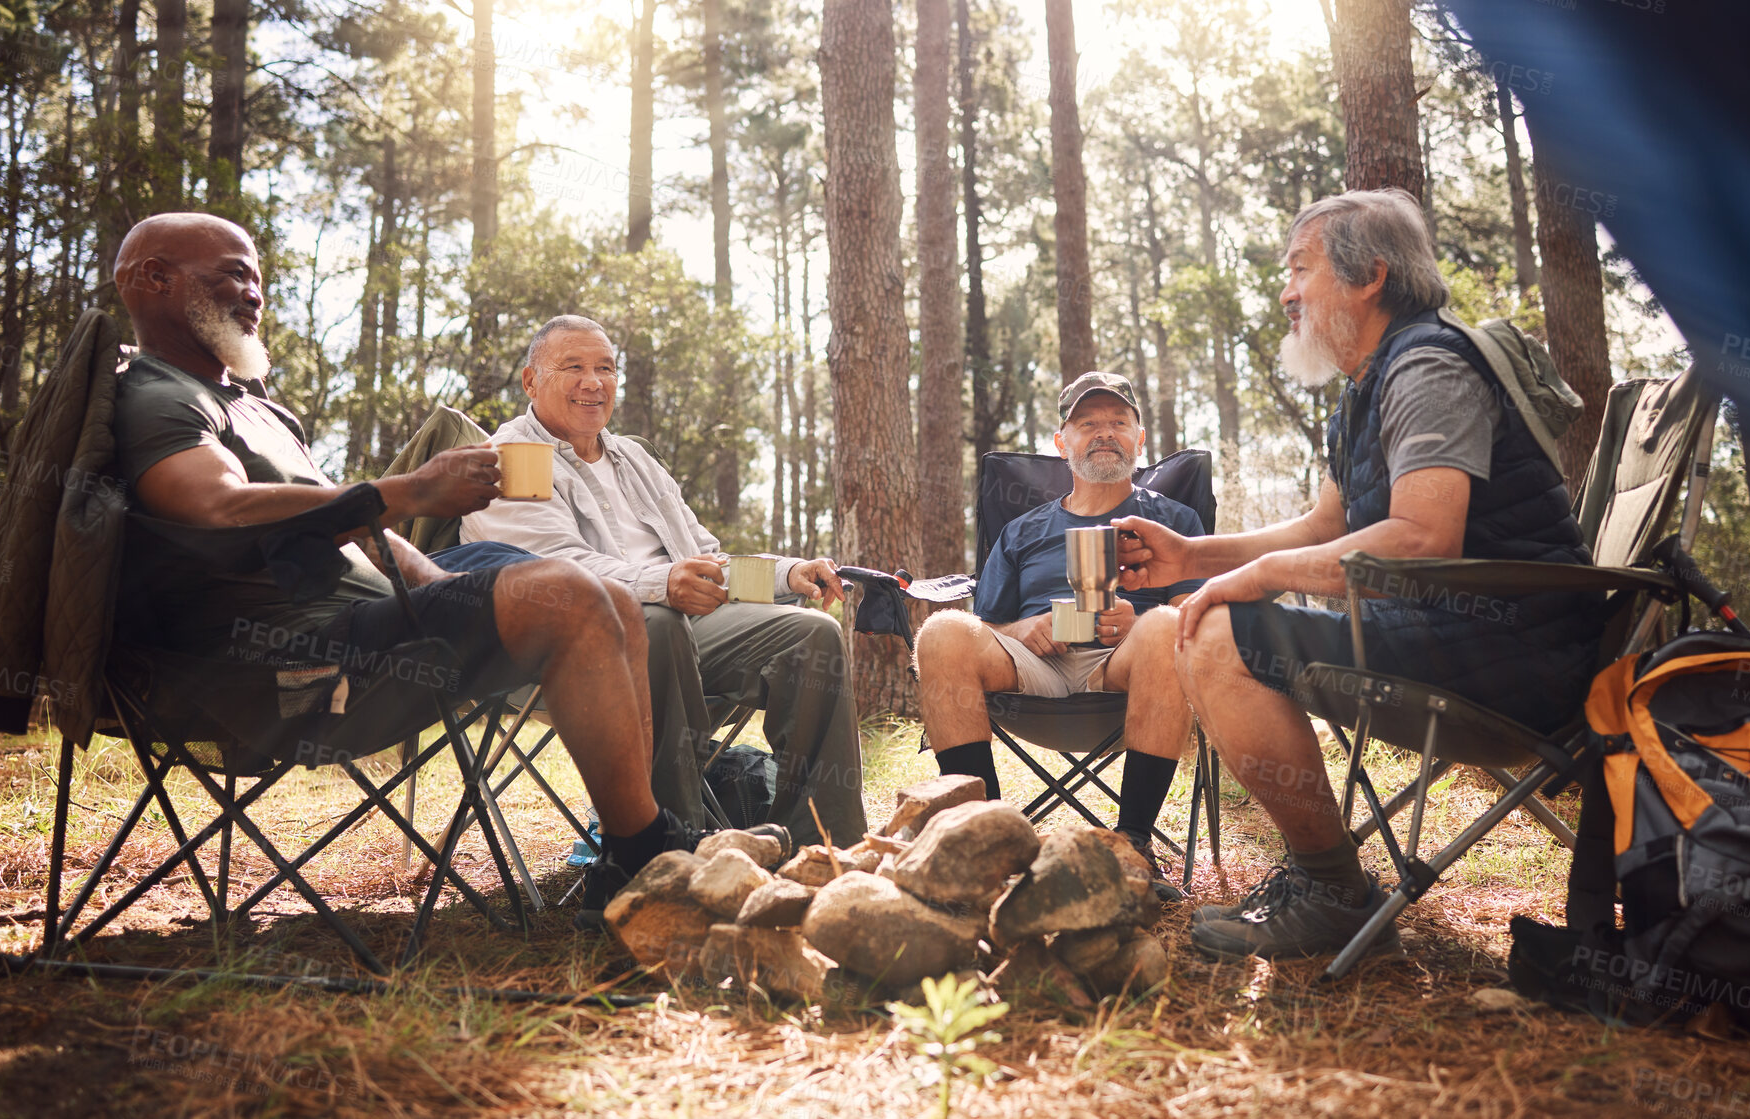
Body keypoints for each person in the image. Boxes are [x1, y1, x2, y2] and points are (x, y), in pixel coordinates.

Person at [107, 213, 742, 920]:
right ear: (152, 279)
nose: (251, 292)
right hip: (283, 665)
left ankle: (636, 841)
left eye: (255, 275)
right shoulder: (157, 397)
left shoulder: (258, 408)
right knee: (571, 596)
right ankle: (648, 853)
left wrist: (451, 592)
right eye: (229, 273)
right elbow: (215, 506)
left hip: (372, 621)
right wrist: (410, 490)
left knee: (606, 596)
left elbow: (360, 530)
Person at [1112, 188, 1603, 960]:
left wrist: (1262, 577)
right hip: (1450, 638)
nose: (1285, 290)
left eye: (1300, 268)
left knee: (1214, 633)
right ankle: (1329, 884)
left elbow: (1422, 538)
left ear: (1370, 275)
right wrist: (1192, 556)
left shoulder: (1429, 367)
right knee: (1207, 608)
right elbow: (1327, 529)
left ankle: (1333, 889)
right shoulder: (1368, 389)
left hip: (1510, 659)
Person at [460, 315, 865, 847]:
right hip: (564, 646)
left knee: (811, 635)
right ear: (531, 382)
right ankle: (666, 851)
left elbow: (703, 559)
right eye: (574, 367)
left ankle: (823, 846)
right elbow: (554, 568)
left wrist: (789, 573)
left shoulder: (633, 456)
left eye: (606, 368)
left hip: (678, 628)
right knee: (655, 623)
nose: (593, 382)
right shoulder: (515, 458)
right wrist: (662, 585)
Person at [911, 372, 1207, 895]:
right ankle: (986, 844)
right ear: (1060, 442)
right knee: (941, 631)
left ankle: (1133, 846)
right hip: (1032, 666)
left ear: (1140, 439)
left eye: (1119, 422)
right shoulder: (1021, 530)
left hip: (1125, 668)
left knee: (1166, 624)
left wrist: (1139, 621)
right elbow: (986, 622)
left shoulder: (1173, 519)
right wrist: (1023, 628)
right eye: (1087, 423)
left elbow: (1196, 614)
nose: (1105, 433)